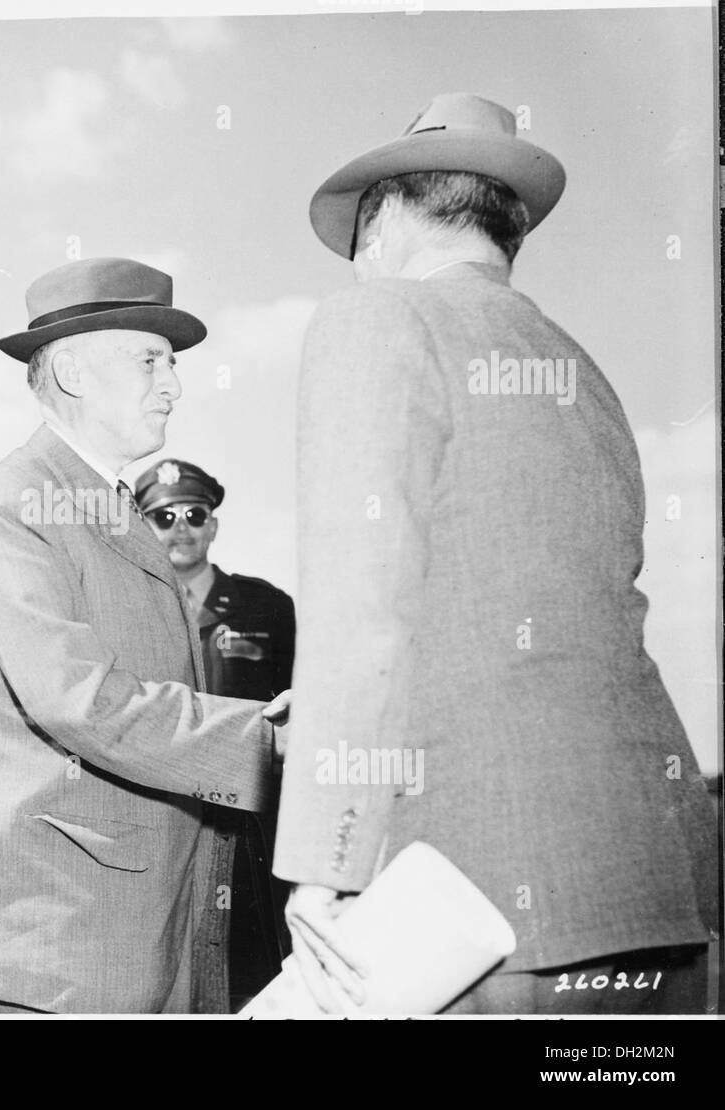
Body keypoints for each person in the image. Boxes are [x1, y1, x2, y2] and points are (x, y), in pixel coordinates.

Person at [273, 93, 720, 1014]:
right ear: (506, 231)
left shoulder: (376, 319)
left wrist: (325, 859)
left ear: (383, 218)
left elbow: (362, 611)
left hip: (471, 899)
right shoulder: (576, 366)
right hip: (654, 888)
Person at [0, 257, 289, 1014]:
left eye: (172, 364)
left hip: (120, 919)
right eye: (151, 360)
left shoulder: (96, 503)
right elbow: (82, 701)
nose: (174, 384)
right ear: (74, 370)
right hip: (63, 933)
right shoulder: (18, 507)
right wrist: (265, 740)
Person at [135, 459, 296, 1009]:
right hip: (165, 821)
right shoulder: (126, 611)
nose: (181, 527)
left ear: (213, 525)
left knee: (256, 978)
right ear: (143, 525)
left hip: (251, 830)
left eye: (194, 514)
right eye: (163, 516)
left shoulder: (267, 607)